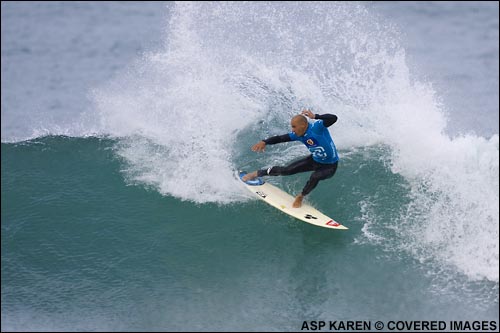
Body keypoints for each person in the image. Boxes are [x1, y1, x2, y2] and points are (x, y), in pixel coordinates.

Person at [243, 109, 339, 208]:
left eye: (294, 126)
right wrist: (265, 142)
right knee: (286, 170)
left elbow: (333, 118)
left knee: (315, 176)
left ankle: (301, 196)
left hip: (329, 166)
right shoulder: (298, 135)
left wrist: (316, 116)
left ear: (303, 125)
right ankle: (257, 173)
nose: (292, 129)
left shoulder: (317, 128)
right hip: (314, 160)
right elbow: (280, 138)